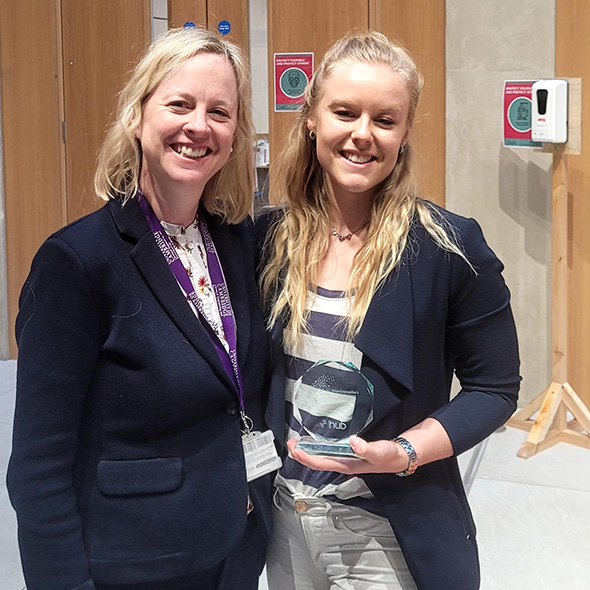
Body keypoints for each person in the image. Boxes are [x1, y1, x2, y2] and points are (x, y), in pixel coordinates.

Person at [7, 26, 276, 590]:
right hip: (134, 567)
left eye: (219, 112)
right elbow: (38, 468)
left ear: (235, 136)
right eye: (179, 103)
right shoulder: (78, 262)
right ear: (137, 116)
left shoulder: (232, 244)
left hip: (231, 553)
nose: (198, 126)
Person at [257, 31, 520, 590]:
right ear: (311, 118)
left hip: (384, 531)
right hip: (285, 517)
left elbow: (494, 389)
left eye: (385, 119)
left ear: (404, 133)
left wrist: (401, 452)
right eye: (345, 112)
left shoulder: (448, 248)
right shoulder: (270, 240)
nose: (361, 135)